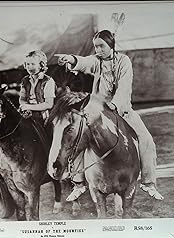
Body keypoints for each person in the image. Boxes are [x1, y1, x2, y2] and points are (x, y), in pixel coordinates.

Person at [56, 30, 164, 201]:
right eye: (96, 47)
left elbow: (124, 87)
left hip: (122, 110)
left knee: (147, 140)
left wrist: (114, 104)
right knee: (78, 137)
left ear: (111, 45)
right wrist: (71, 59)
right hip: (97, 112)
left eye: (101, 46)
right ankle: (78, 183)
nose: (98, 50)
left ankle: (148, 182)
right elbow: (84, 62)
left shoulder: (124, 61)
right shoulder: (96, 61)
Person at [19, 50, 56, 138]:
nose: (29, 67)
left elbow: (49, 104)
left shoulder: (48, 81)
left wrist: (29, 107)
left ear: (41, 65)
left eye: (33, 64)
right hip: (27, 113)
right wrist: (25, 107)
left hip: (43, 116)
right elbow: (22, 99)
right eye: (27, 64)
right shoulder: (25, 80)